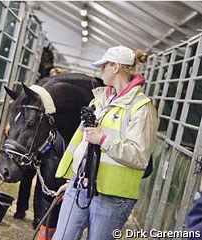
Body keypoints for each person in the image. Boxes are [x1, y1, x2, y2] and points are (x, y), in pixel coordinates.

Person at [52, 45, 158, 240]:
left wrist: (103, 140)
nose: (101, 70)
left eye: (104, 66)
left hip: (113, 196)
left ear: (115, 67)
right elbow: (82, 145)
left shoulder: (142, 109)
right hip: (80, 186)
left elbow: (140, 157)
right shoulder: (99, 101)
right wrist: (75, 179)